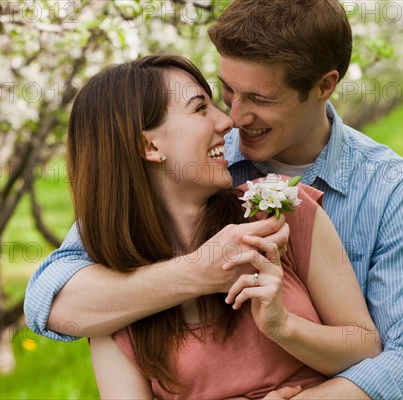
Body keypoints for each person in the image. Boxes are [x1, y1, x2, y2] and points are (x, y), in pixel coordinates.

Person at [25, 1, 403, 398]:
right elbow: (53, 295)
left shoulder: (394, 195)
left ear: (324, 86)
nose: (232, 118)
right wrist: (200, 272)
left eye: (260, 99)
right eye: (227, 91)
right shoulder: (191, 169)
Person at [64, 55, 381, 398]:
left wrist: (283, 326)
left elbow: (365, 347)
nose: (226, 121)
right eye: (200, 108)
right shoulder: (113, 302)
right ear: (150, 146)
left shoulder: (276, 211)